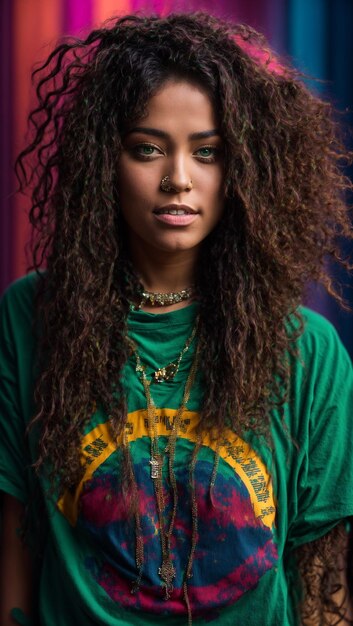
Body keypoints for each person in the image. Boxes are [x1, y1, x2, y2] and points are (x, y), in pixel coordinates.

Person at [0, 12, 353, 626]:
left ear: (243, 169)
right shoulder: (33, 316)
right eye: (147, 149)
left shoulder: (308, 351)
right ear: (103, 162)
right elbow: (14, 538)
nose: (178, 180)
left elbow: (322, 585)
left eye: (208, 152)